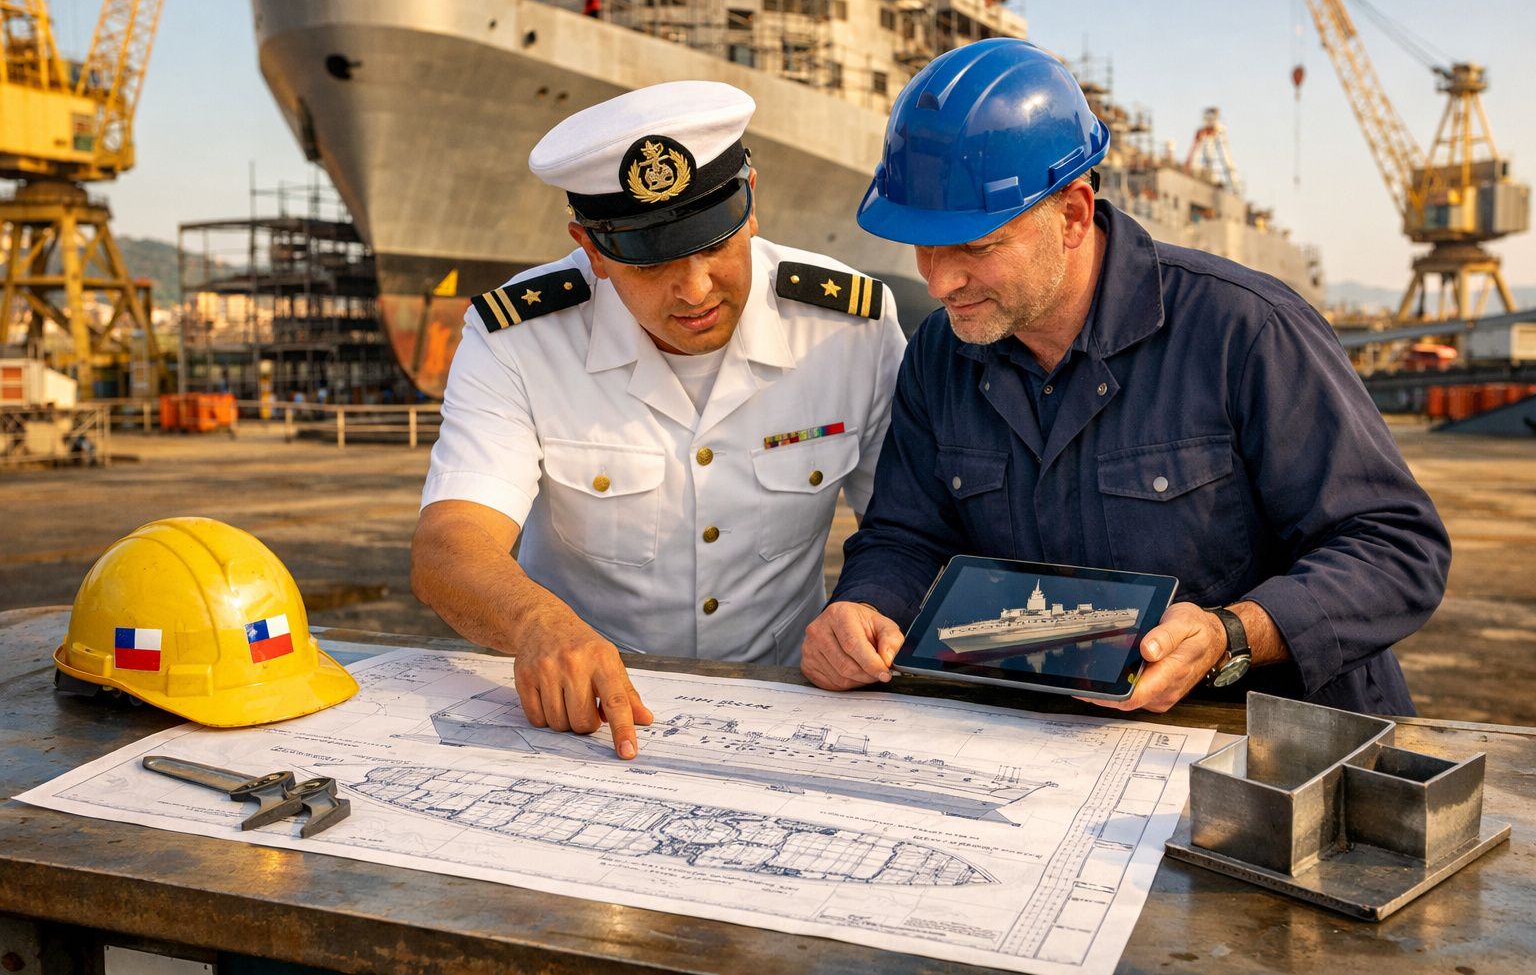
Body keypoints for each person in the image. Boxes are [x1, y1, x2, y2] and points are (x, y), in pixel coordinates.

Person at [802, 39, 1449, 717]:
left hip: (1272, 734)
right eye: (924, 245)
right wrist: (865, 605)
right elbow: (906, 536)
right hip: (1058, 744)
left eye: (976, 246)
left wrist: (1233, 634)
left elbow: (1395, 548)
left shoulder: (1246, 329)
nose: (939, 283)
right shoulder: (941, 353)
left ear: (1074, 215)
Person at [414, 81, 906, 758]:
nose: (696, 289)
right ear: (592, 250)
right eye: (654, 264)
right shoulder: (520, 338)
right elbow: (449, 543)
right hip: (591, 721)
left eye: (715, 246)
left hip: (789, 707)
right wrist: (536, 625)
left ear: (751, 203)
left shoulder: (849, 328)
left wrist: (869, 608)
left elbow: (905, 528)